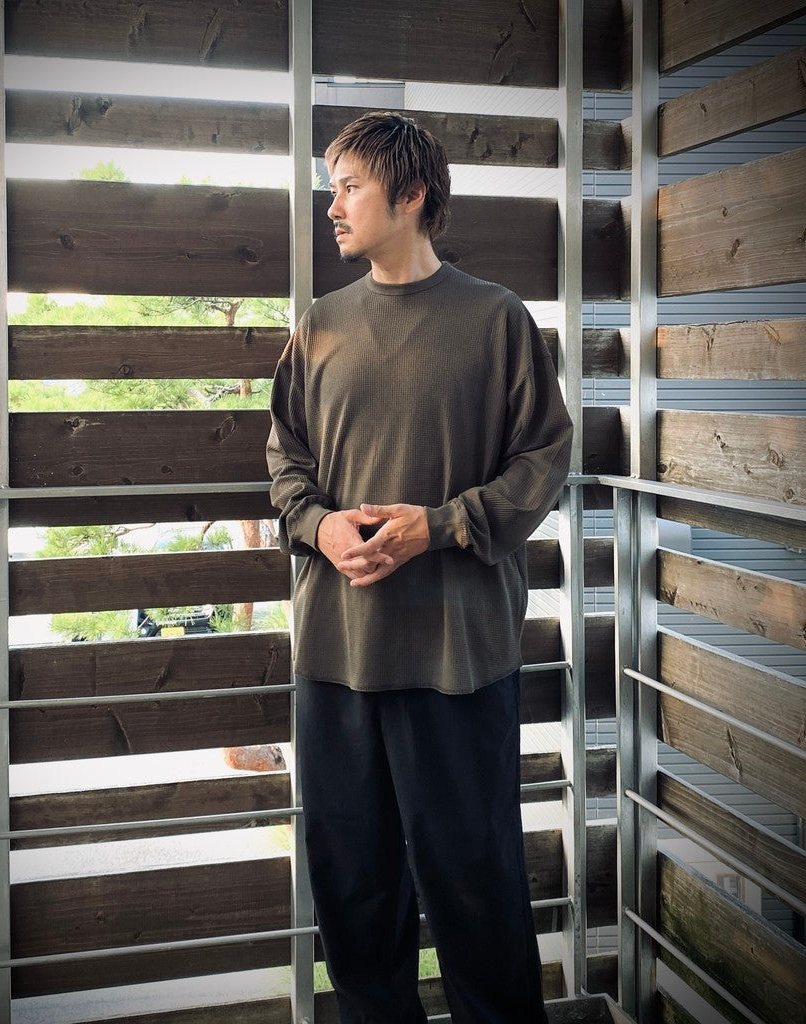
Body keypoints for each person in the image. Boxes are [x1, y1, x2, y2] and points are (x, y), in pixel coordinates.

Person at [266, 111, 573, 1023]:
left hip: (458, 656)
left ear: (410, 194)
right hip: (337, 654)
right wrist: (320, 527)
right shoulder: (320, 326)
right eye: (331, 187)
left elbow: (543, 460)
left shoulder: (497, 319)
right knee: (352, 892)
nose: (333, 206)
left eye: (349, 186)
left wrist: (438, 527)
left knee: (477, 884)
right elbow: (285, 458)